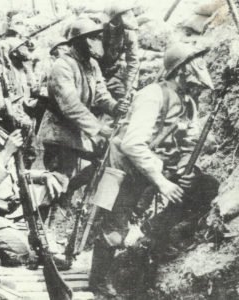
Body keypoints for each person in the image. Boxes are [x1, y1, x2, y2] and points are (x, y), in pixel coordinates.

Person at [89, 42, 220, 297]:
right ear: (181, 71)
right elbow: (132, 144)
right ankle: (100, 282)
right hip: (125, 168)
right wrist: (162, 182)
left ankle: (151, 238)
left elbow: (189, 141)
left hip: (157, 167)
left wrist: (186, 169)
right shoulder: (152, 95)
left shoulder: (188, 102)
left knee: (205, 186)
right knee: (115, 232)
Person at [0, 86, 69, 268]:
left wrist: (43, 176)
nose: (22, 115)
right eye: (16, 109)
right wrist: (7, 152)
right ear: (0, 117)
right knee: (22, 250)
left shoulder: (2, 140)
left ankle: (31, 245)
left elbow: (13, 175)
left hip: (6, 212)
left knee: (53, 184)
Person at [37, 18, 128, 181]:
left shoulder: (92, 64)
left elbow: (101, 93)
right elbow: (70, 105)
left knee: (105, 159)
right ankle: (52, 204)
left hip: (77, 132)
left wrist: (115, 107)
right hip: (59, 135)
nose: (97, 42)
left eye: (98, 37)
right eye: (92, 38)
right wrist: (99, 128)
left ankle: (69, 193)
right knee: (58, 180)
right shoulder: (62, 66)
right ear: (78, 41)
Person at [100, 1, 139, 100]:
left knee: (125, 98)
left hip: (114, 75)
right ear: (115, 18)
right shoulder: (99, 31)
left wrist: (131, 86)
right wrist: (100, 81)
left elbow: (133, 61)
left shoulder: (128, 33)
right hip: (97, 74)